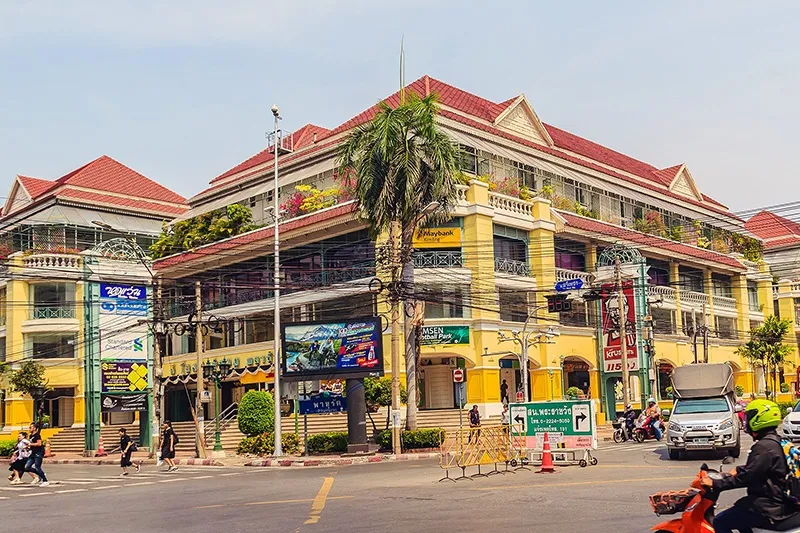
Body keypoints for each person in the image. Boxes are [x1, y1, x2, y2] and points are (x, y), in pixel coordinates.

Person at [701, 399, 800, 533]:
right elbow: (764, 468)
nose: (746, 422)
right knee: (740, 510)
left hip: (770, 508)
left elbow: (748, 477)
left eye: (749, 417)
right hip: (779, 502)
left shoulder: (763, 447)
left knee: (721, 521)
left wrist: (715, 483)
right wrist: (738, 469)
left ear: (758, 419)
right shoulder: (777, 442)